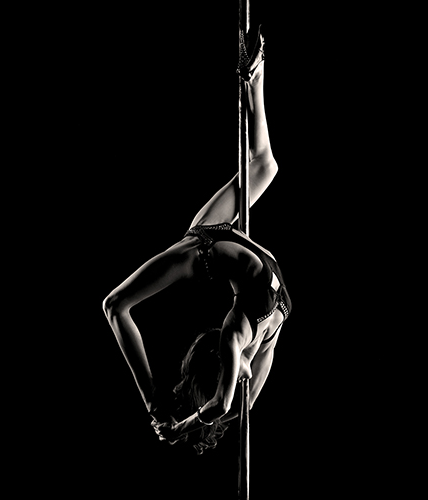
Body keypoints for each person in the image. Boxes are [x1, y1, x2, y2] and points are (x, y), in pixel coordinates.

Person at [103, 26, 292, 454]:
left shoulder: (256, 341)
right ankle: (254, 78)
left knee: (264, 167)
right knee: (115, 306)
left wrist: (207, 411)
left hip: (244, 263)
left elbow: (238, 404)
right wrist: (166, 417)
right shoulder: (234, 339)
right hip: (204, 250)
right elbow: (228, 404)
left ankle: (255, 76)